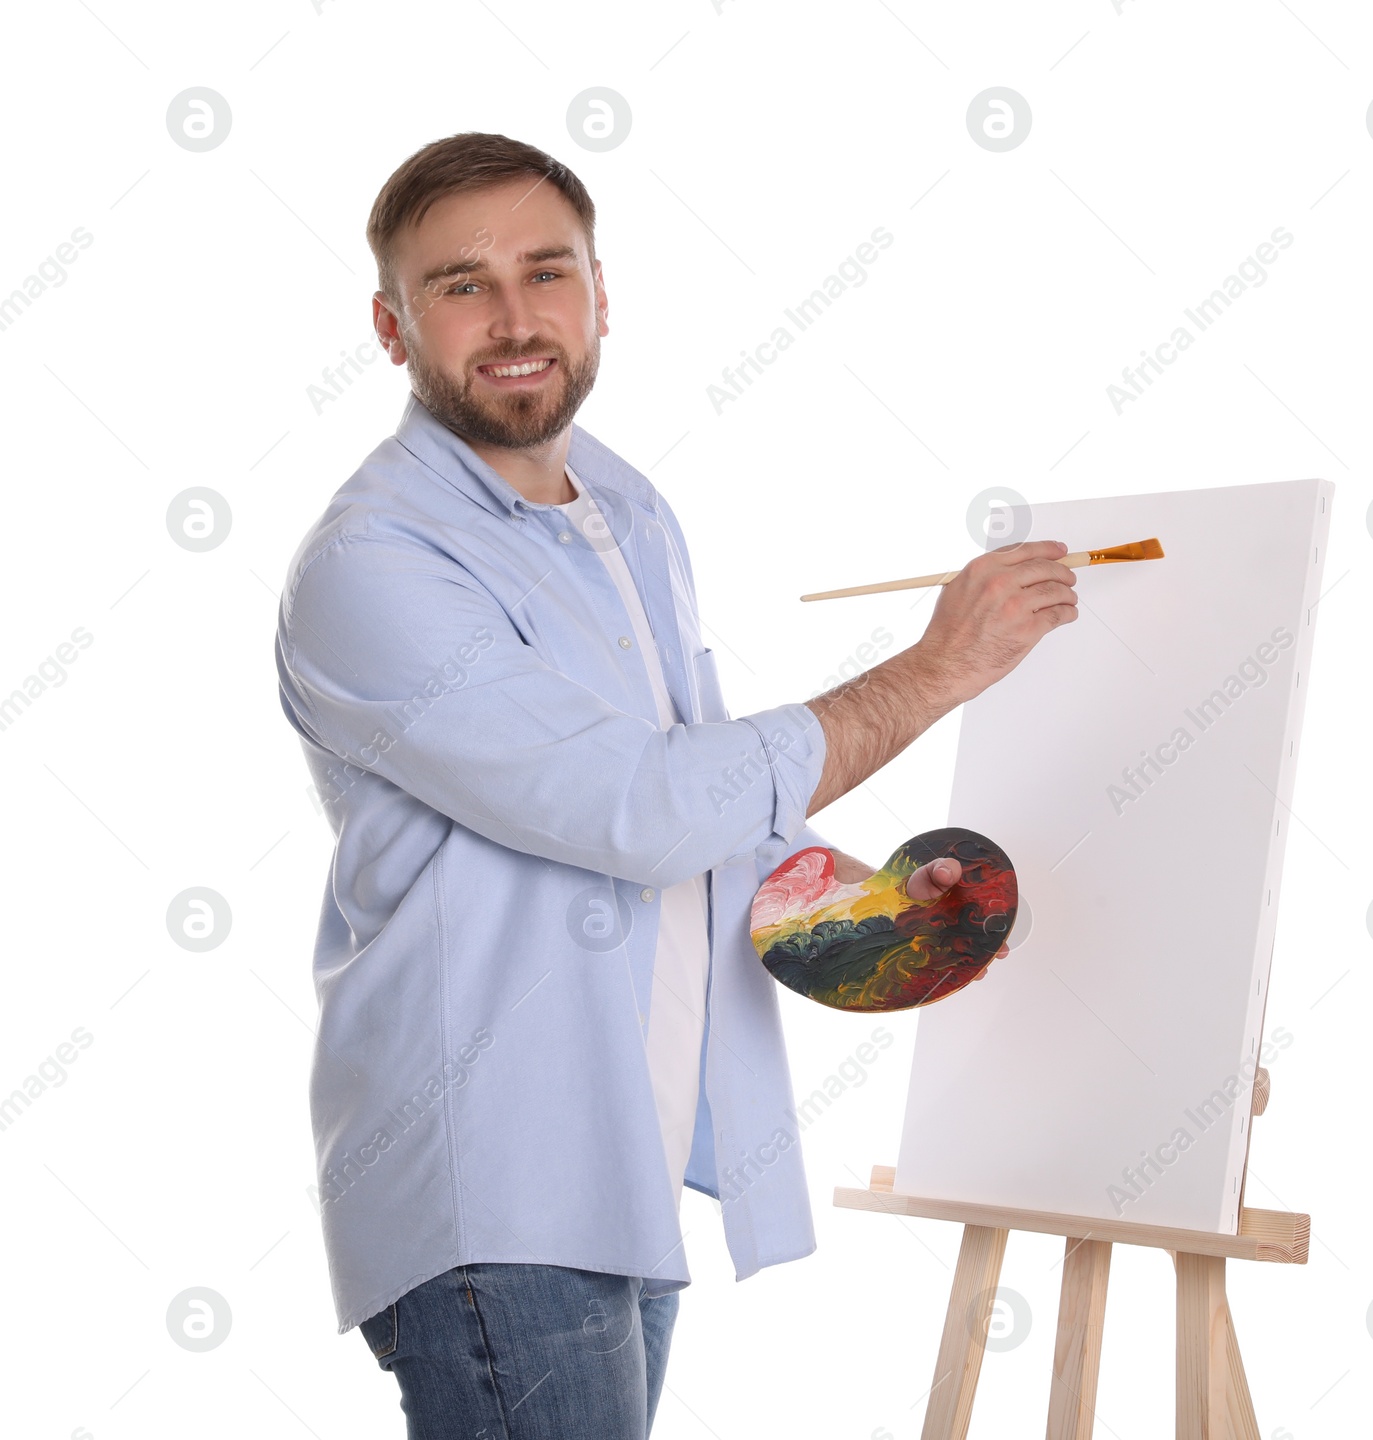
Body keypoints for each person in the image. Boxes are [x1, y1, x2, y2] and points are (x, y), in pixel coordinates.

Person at [273, 131, 1077, 1439]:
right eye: (463, 285)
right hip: (498, 1186)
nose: (517, 318)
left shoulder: (629, 512)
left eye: (547, 273)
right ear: (391, 323)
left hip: (621, 1168)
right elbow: (634, 810)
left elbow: (708, 821)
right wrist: (936, 673)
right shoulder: (376, 564)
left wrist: (874, 923)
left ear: (602, 294)